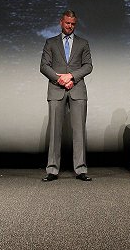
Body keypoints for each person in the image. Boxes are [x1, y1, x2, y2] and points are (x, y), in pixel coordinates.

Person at [39, 10, 93, 182]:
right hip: (56, 89)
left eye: (73, 24)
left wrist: (72, 77)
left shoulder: (83, 43)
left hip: (77, 90)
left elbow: (88, 66)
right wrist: (60, 79)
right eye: (67, 23)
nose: (70, 26)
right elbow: (44, 66)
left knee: (79, 131)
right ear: (61, 22)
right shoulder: (51, 43)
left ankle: (81, 169)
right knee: (55, 131)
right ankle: (52, 170)